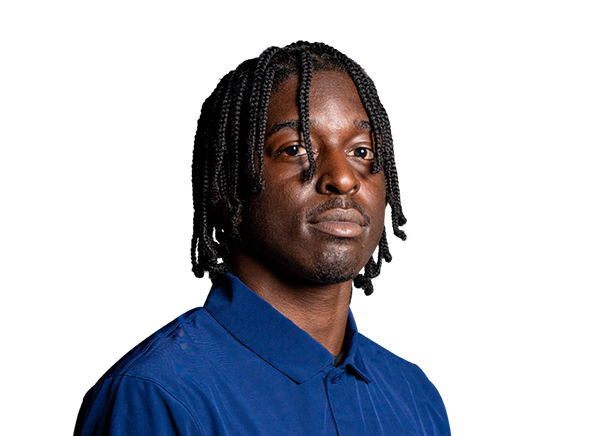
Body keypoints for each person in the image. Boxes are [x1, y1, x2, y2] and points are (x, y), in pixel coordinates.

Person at [79, 41, 450, 436]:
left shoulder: (414, 395)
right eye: (295, 149)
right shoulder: (160, 395)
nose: (343, 178)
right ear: (227, 193)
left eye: (362, 151)